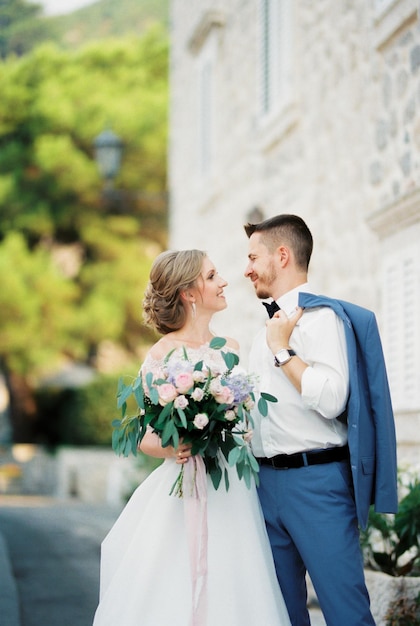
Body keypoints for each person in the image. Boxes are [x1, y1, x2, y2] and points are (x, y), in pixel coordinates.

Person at [93, 249, 292, 626]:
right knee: (175, 584)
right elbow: (147, 437)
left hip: (233, 489)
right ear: (189, 292)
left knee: (235, 580)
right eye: (213, 276)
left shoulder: (230, 349)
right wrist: (177, 445)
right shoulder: (161, 354)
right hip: (187, 484)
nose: (223, 282)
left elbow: (242, 421)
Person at [244, 214, 398, 626]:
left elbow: (332, 399)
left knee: (345, 611)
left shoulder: (323, 319)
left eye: (253, 257)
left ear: (283, 255)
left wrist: (283, 352)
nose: (247, 269)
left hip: (317, 484)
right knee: (280, 613)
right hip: (263, 483)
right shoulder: (264, 330)